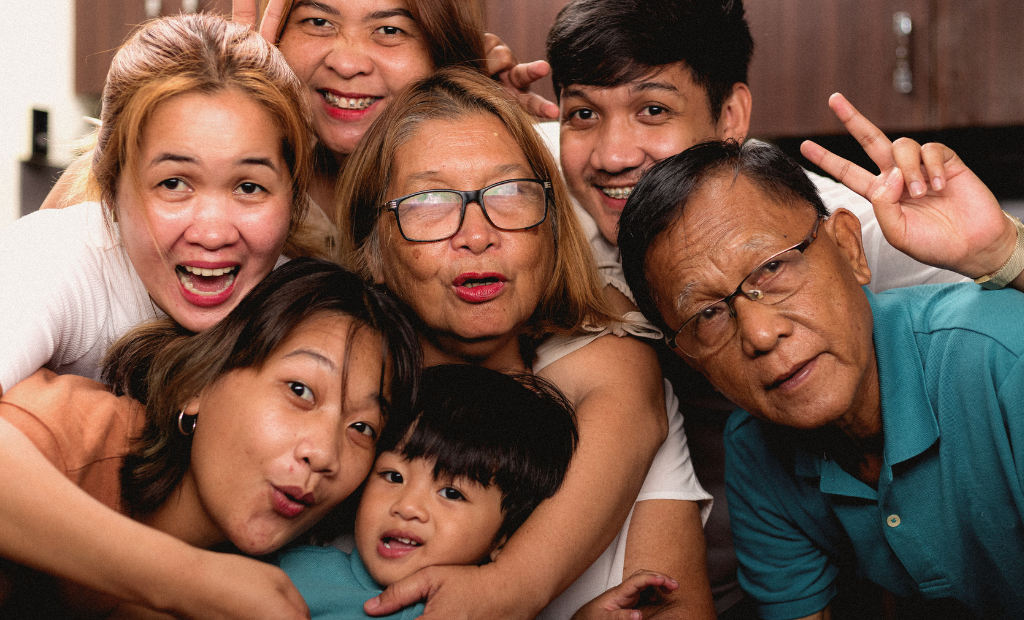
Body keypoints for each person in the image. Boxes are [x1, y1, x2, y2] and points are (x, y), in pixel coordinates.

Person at [536, 1, 967, 615]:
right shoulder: (527, 196)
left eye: (653, 110)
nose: (612, 154)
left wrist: (1000, 251)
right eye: (583, 114)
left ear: (731, 115)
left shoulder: (822, 230)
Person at [617, 97, 1024, 618]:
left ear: (851, 249)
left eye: (771, 269)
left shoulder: (1000, 362)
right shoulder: (758, 449)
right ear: (691, 359)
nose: (760, 334)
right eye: (708, 314)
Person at [340, 67, 714, 620]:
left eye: (510, 193)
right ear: (374, 245)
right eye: (430, 201)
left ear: (551, 226)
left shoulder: (613, 388)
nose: (476, 234)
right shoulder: (340, 395)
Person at [0, 258, 420, 618]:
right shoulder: (77, 432)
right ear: (198, 381)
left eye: (362, 428)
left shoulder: (292, 582)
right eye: (299, 391)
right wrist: (186, 579)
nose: (325, 453)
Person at [0, 13, 315, 394]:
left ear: (294, 198)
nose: (213, 233)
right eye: (173, 183)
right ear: (112, 188)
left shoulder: (306, 308)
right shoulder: (56, 259)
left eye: (249, 187)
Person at [278, 363, 578, 619]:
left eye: (451, 493)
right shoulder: (289, 572)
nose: (407, 507)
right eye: (393, 476)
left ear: (502, 538)